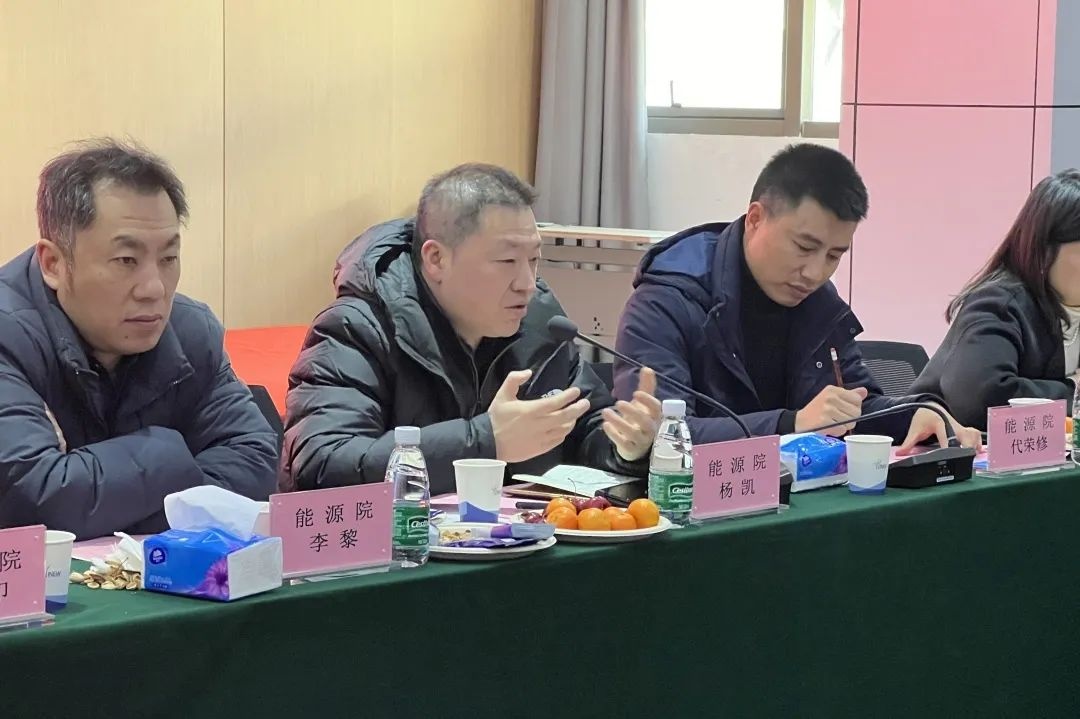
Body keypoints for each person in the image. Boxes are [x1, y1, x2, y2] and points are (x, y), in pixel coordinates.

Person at [281, 163, 661, 494]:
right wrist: (484, 441)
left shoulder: (540, 322)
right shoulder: (356, 328)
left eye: (534, 260)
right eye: (507, 261)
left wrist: (624, 448)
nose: (527, 283)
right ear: (436, 259)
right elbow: (322, 465)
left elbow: (584, 428)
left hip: (514, 542)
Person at [614, 143, 980, 450]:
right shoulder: (668, 300)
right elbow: (662, 436)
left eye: (834, 256)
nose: (815, 273)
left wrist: (914, 413)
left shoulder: (819, 302)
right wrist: (791, 424)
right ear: (755, 219)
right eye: (804, 247)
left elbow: (855, 403)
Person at [0, 139, 278, 539]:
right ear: (54, 263)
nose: (154, 289)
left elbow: (254, 464)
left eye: (168, 259)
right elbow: (32, 498)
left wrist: (109, 507)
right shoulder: (10, 335)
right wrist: (169, 456)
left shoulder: (188, 331)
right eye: (126, 260)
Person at [912, 170, 1080, 429]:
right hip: (948, 448)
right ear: (1045, 249)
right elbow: (984, 397)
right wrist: (1073, 390)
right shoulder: (1001, 302)